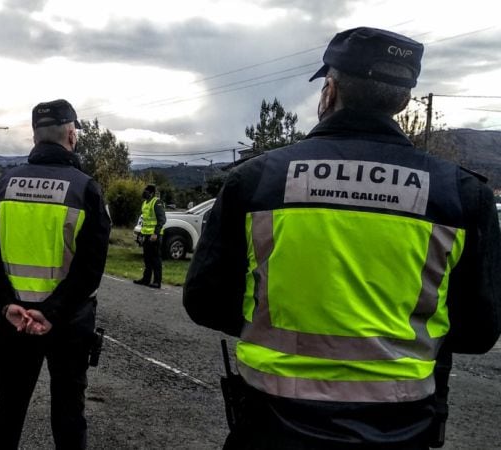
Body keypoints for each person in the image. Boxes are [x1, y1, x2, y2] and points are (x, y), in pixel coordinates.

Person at [183, 27, 501, 449]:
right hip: (401, 429)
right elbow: (479, 333)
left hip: (273, 424)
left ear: (329, 91)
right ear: (405, 100)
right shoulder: (461, 195)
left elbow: (204, 301)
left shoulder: (257, 181)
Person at [0, 99, 111, 449]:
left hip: (15, 321)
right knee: (68, 416)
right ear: (71, 135)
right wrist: (51, 312)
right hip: (69, 323)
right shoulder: (85, 190)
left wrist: (6, 304)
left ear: (35, 137)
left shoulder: (0, 187)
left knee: (10, 411)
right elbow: (90, 269)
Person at [133, 184, 166, 288]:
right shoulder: (144, 203)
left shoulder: (156, 202)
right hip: (146, 235)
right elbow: (144, 221)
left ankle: (157, 281)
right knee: (147, 258)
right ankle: (146, 279)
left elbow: (162, 219)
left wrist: (155, 233)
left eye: (146, 191)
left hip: (154, 236)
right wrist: (141, 234)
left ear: (151, 193)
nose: (144, 193)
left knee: (155, 259)